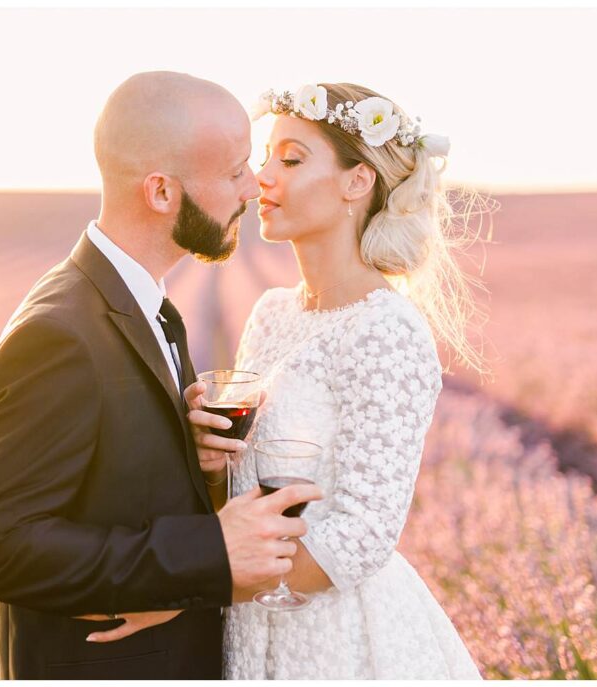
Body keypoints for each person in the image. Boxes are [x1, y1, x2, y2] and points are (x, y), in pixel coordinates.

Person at [0, 71, 322, 680]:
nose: (253, 190)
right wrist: (211, 553)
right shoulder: (60, 333)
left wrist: (196, 465)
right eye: (233, 171)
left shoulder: (145, 304)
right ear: (160, 193)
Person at [186, 83, 488, 678]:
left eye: (291, 159)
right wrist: (212, 460)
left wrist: (189, 593)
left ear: (357, 182)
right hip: (253, 623)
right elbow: (246, 491)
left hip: (334, 639)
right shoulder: (273, 312)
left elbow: (362, 534)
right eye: (265, 157)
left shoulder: (387, 329)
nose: (262, 177)